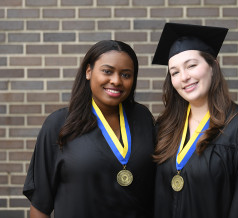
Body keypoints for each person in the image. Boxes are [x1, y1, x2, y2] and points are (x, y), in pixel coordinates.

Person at [152, 23, 238, 218]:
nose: (184, 77)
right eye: (175, 72)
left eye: (191, 65)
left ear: (213, 65)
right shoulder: (165, 127)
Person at [23, 40, 155, 218]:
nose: (116, 81)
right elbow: (40, 205)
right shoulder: (59, 124)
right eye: (107, 71)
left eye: (126, 75)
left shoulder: (142, 118)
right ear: (88, 71)